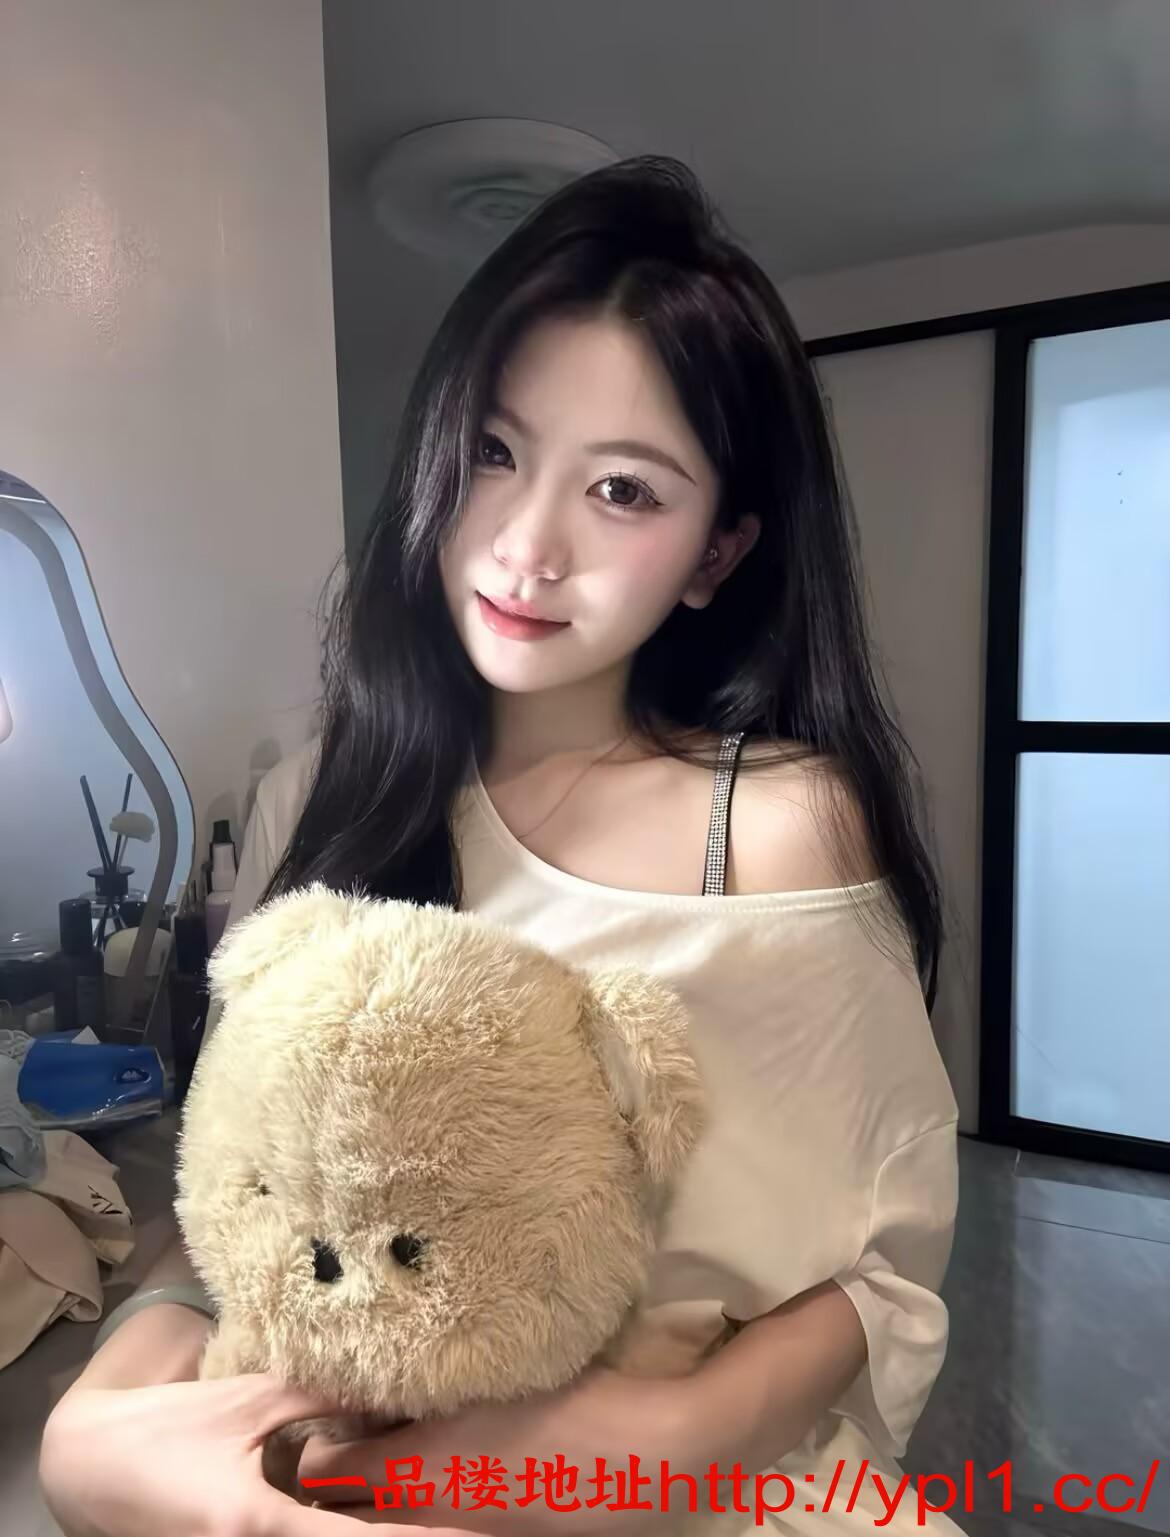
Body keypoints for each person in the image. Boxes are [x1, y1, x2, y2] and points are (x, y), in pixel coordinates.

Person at [40, 155, 961, 1536]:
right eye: (492, 451)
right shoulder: (323, 799)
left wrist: (660, 1439)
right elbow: (247, 1197)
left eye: (625, 491)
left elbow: (879, 1269)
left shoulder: (769, 831)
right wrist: (101, 1414)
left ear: (717, 554)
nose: (527, 547)